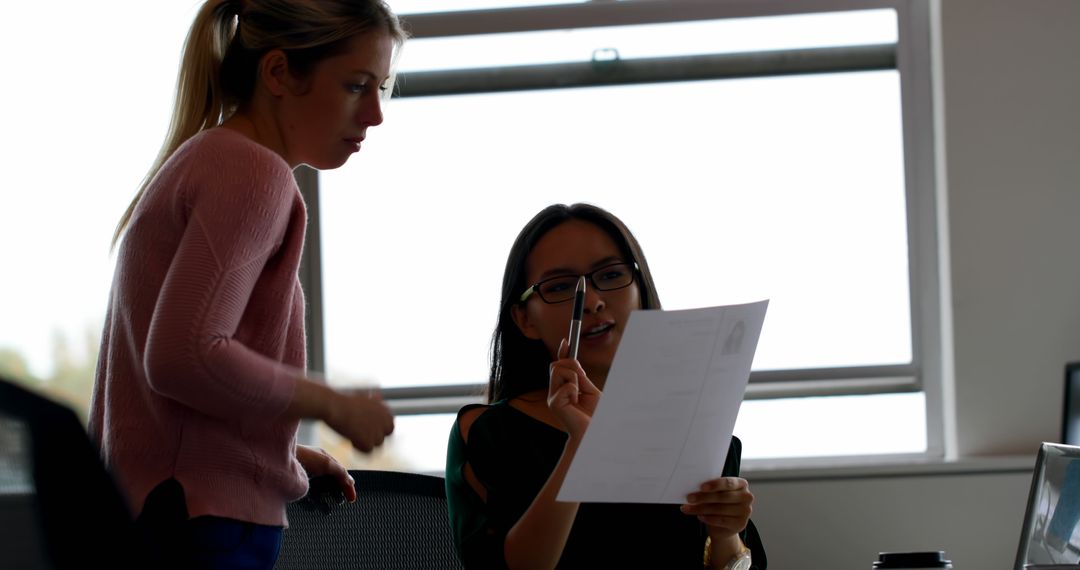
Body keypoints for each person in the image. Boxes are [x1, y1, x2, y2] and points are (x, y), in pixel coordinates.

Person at [88, 1, 406, 568]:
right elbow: (184, 357)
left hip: (161, 512)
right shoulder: (253, 172)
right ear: (279, 73)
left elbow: (171, 404)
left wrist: (284, 451)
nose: (376, 115)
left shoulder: (206, 160)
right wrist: (329, 401)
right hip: (202, 525)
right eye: (357, 86)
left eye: (382, 87)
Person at [445, 203, 767, 569]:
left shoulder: (693, 425)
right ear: (524, 319)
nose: (594, 302)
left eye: (611, 276)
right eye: (562, 286)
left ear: (640, 290)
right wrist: (581, 446)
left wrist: (725, 534)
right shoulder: (488, 434)